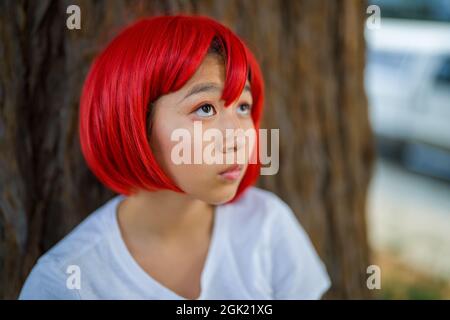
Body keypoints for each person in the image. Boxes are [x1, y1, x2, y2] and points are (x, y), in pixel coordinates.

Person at [19, 14, 331, 300]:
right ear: (134, 123)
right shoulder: (64, 283)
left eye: (243, 106)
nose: (239, 136)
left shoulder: (267, 227)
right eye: (205, 108)